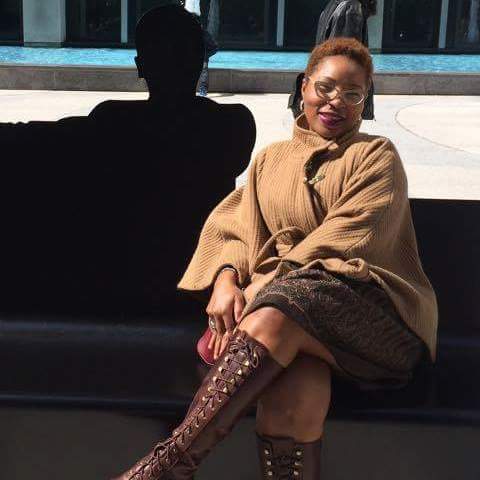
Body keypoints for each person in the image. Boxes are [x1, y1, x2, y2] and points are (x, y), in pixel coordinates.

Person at [112, 38, 437, 480]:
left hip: (375, 324)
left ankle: (163, 469)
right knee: (293, 397)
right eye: (325, 87)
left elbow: (346, 236)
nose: (336, 101)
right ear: (304, 87)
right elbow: (236, 224)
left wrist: (266, 285)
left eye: (353, 93)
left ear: (365, 101)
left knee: (284, 305)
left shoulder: (376, 156)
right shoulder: (271, 159)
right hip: (290, 323)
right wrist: (226, 279)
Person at [0, 5, 256, 316]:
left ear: (140, 67)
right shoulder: (232, 124)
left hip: (117, 279)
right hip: (194, 280)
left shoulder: (112, 121)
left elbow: (34, 139)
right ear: (200, 61)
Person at [289, 0, 377, 120]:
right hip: (333, 96)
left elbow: (342, 58)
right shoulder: (348, 8)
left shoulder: (344, 7)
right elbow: (342, 59)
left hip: (330, 95)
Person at [184, 0, 219, 96]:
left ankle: (202, 89)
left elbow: (214, 47)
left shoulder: (202, 32)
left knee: (203, 67)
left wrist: (205, 55)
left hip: (201, 53)